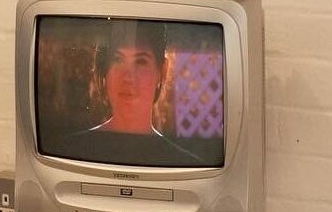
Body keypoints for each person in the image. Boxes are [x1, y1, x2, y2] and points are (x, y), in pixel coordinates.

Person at [53, 20, 213, 167]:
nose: (128, 77)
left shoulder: (183, 164)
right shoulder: (68, 150)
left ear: (162, 71)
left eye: (141, 61)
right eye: (117, 59)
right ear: (105, 70)